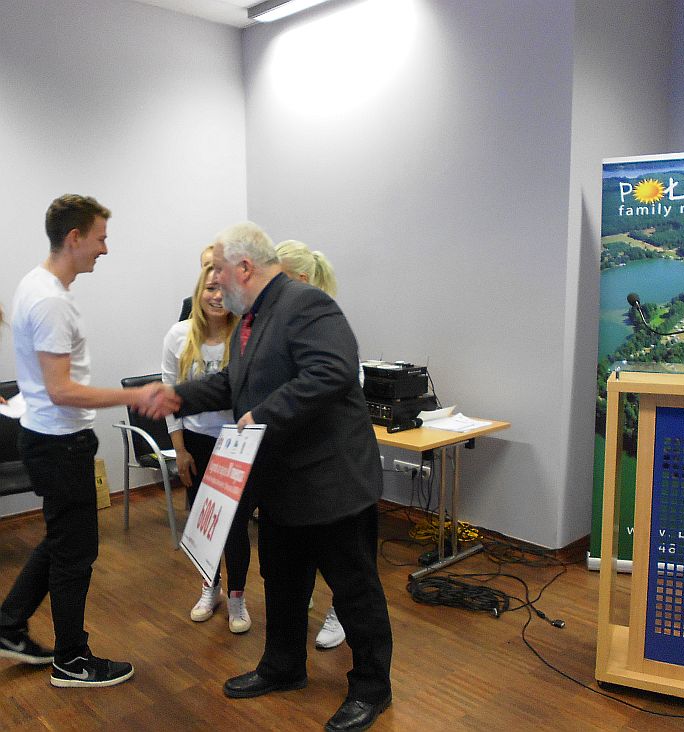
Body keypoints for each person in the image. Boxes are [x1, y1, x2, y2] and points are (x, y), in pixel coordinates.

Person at [148, 222, 392, 732]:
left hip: (331, 484)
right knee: (281, 581)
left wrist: (261, 415)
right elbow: (233, 383)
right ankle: (283, 667)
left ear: (244, 267)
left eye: (218, 269)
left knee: (354, 592)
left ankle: (372, 688)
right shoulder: (251, 319)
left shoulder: (306, 304)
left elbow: (331, 372)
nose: (212, 280)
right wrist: (175, 397)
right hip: (282, 485)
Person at [0, 194, 179, 688]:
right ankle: (72, 661)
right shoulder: (51, 300)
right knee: (75, 554)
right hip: (59, 444)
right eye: (100, 238)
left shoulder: (37, 285)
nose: (105, 249)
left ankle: (9, 625)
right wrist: (136, 395)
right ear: (74, 237)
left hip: (49, 438)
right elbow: (62, 390)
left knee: (62, 541)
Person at [162, 264, 253, 633]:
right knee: (206, 523)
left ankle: (237, 598)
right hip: (196, 442)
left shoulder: (247, 336)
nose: (217, 297)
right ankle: (209, 589)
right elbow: (170, 396)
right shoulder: (178, 336)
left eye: (224, 289)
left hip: (237, 444)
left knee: (235, 526)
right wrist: (180, 450)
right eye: (210, 288)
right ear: (199, 292)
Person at [276, 240, 345, 651]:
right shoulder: (285, 325)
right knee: (297, 552)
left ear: (300, 279)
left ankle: (340, 611)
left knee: (335, 554)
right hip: (293, 465)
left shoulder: (327, 324)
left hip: (327, 463)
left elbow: (321, 392)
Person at [178, 244, 215, 321]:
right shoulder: (190, 303)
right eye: (207, 265)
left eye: (216, 265)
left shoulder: (236, 304)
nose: (211, 269)